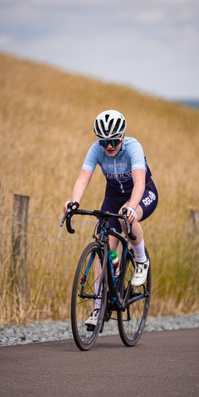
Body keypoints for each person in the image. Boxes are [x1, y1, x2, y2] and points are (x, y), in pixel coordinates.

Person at [64, 109, 158, 326]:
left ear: (122, 136)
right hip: (113, 197)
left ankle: (142, 261)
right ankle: (99, 308)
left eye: (113, 141)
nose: (108, 146)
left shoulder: (133, 147)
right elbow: (82, 179)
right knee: (103, 245)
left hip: (142, 193)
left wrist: (132, 207)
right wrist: (74, 202)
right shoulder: (96, 149)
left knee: (127, 219)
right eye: (104, 141)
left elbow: (140, 183)